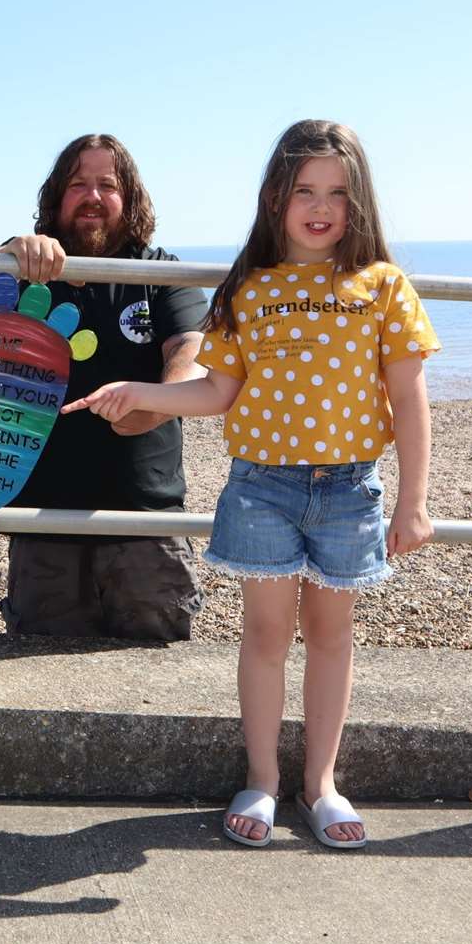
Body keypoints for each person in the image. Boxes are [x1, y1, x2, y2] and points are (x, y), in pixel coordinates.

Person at [64, 119, 440, 850]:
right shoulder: (249, 287)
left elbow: (409, 398)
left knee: (331, 638)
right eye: (304, 190)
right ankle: (264, 779)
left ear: (359, 202)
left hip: (347, 490)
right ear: (276, 198)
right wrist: (137, 392)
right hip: (260, 489)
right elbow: (215, 393)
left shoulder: (383, 287)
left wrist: (414, 500)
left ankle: (321, 782)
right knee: (266, 636)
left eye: (337, 192)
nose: (320, 206)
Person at [0, 134, 210, 641]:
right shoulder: (25, 271)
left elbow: (191, 351)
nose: (93, 196)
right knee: (38, 688)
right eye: (78, 184)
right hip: (43, 519)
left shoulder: (159, 272)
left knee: (153, 681)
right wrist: (6, 253)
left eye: (107, 185)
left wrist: (156, 404)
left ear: (129, 199)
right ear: (56, 198)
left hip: (144, 519)